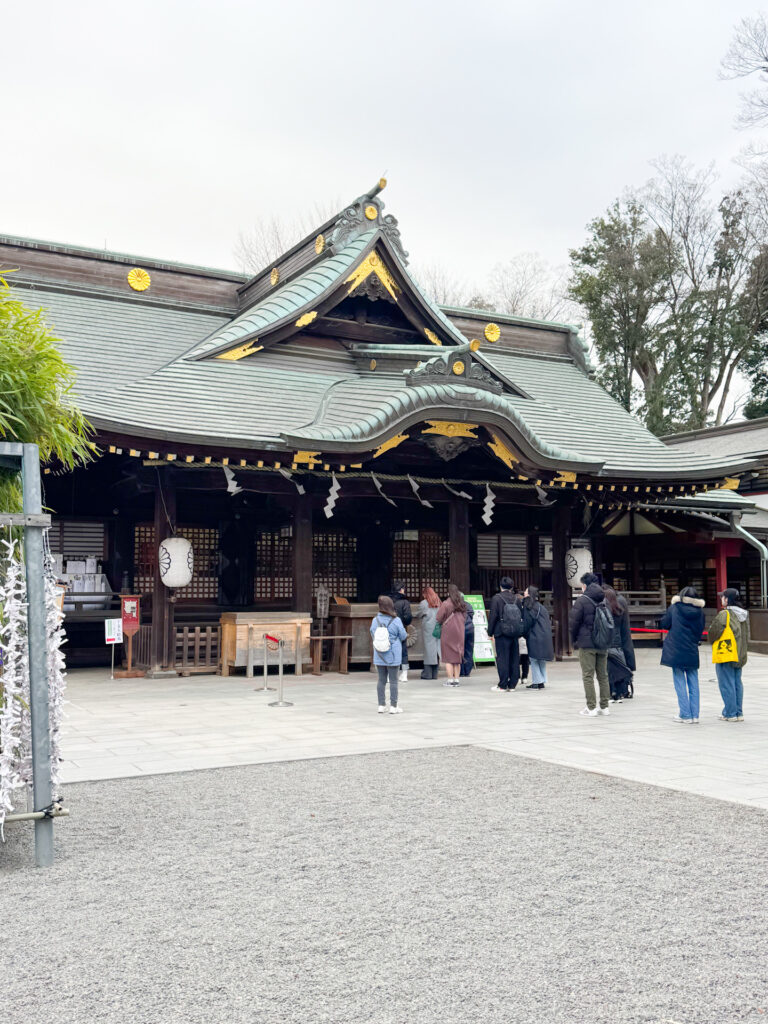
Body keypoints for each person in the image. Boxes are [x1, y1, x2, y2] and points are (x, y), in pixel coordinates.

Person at [658, 586, 705, 723]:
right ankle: (695, 715)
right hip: (691, 648)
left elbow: (665, 624)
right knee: (693, 682)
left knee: (679, 681)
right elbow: (700, 630)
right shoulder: (700, 612)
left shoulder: (675, 608)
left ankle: (685, 714)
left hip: (676, 649)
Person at [569, 572, 612, 717]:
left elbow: (574, 623)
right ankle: (605, 707)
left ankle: (591, 707)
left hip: (587, 643)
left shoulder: (582, 601)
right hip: (602, 642)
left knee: (588, 675)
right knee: (603, 675)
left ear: (585, 585)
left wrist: (573, 639)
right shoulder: (604, 599)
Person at [709, 587, 750, 722]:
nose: (721, 599)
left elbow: (713, 633)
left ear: (727, 599)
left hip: (726, 653)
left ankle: (730, 713)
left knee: (726, 684)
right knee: (737, 683)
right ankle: (738, 712)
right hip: (740, 653)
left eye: (723, 597)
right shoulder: (744, 615)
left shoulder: (724, 614)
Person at [370, 595, 407, 715]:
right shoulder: (396, 620)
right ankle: (393, 706)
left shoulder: (375, 620)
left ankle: (381, 705)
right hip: (393, 653)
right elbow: (403, 635)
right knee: (394, 681)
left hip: (379, 653)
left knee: (381, 680)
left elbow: (372, 634)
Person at [487, 576, 522, 691]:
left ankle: (502, 684)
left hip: (501, 632)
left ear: (500, 586)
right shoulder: (517, 599)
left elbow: (493, 617)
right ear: (511, 586)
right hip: (514, 632)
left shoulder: (497, 598)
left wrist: (490, 632)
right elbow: (520, 616)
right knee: (514, 658)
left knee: (502, 658)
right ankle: (512, 685)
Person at [602, 585, 636, 703]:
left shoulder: (604, 611)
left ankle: (612, 693)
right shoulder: (619, 610)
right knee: (620, 668)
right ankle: (621, 692)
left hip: (608, 644)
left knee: (609, 670)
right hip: (619, 644)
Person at [522, 585, 554, 688]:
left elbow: (527, 623)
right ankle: (542, 680)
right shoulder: (541, 607)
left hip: (534, 635)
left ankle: (537, 682)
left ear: (529, 594)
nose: (524, 593)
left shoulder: (528, 606)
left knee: (533, 658)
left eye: (526, 591)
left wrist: (523, 633)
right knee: (541, 659)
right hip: (544, 635)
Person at [436, 583, 468, 686]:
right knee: (457, 657)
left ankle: (450, 680)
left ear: (448, 592)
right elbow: (465, 617)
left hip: (448, 632)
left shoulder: (446, 603)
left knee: (449, 657)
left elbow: (439, 618)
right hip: (460, 631)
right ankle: (457, 680)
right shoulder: (462, 604)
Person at [387, 581, 412, 684]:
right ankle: (404, 674)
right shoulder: (404, 602)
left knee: (389, 651)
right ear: (401, 589)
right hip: (401, 627)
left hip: (389, 628)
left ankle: (389, 675)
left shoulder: (388, 601)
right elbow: (408, 616)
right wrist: (406, 623)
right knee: (403, 652)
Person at [417, 586, 441, 679]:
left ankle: (427, 673)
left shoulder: (423, 603)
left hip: (428, 628)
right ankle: (435, 674)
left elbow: (419, 614)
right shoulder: (439, 602)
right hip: (438, 627)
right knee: (436, 649)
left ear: (425, 594)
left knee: (428, 650)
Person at [515, 590, 530, 684]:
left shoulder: (514, 610)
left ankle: (517, 676)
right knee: (525, 658)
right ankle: (524, 676)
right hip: (525, 636)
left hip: (517, 635)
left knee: (515, 658)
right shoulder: (526, 610)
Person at [459, 604, 475, 678]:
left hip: (460, 629)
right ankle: (467, 671)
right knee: (469, 650)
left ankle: (461, 671)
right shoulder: (468, 605)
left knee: (460, 651)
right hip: (470, 629)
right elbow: (472, 614)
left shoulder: (455, 605)